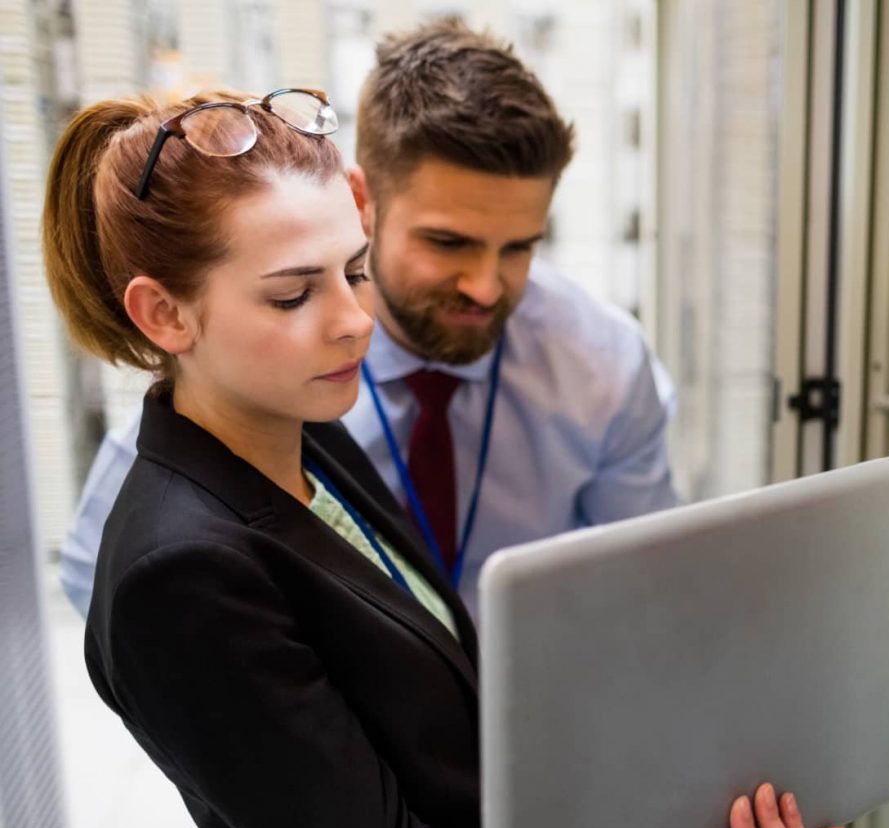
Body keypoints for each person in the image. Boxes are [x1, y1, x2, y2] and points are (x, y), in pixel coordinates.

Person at [42, 86, 844, 828]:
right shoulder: (176, 575)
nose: (352, 322)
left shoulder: (299, 435)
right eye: (295, 294)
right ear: (164, 314)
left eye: (352, 271)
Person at [61, 17, 677, 617]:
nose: (487, 288)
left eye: (519, 247)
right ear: (362, 202)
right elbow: (108, 574)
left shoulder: (606, 364)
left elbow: (646, 582)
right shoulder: (260, 372)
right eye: (449, 243)